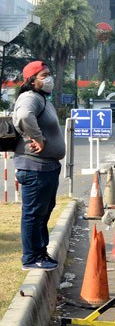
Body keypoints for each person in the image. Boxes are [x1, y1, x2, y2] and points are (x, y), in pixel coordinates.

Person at [13, 60, 65, 271]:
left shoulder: (41, 98)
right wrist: (38, 138)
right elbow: (24, 116)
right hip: (34, 167)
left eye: (49, 74)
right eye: (44, 75)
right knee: (33, 213)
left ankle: (40, 251)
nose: (49, 78)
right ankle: (31, 257)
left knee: (43, 212)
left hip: (47, 167)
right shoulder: (28, 98)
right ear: (31, 80)